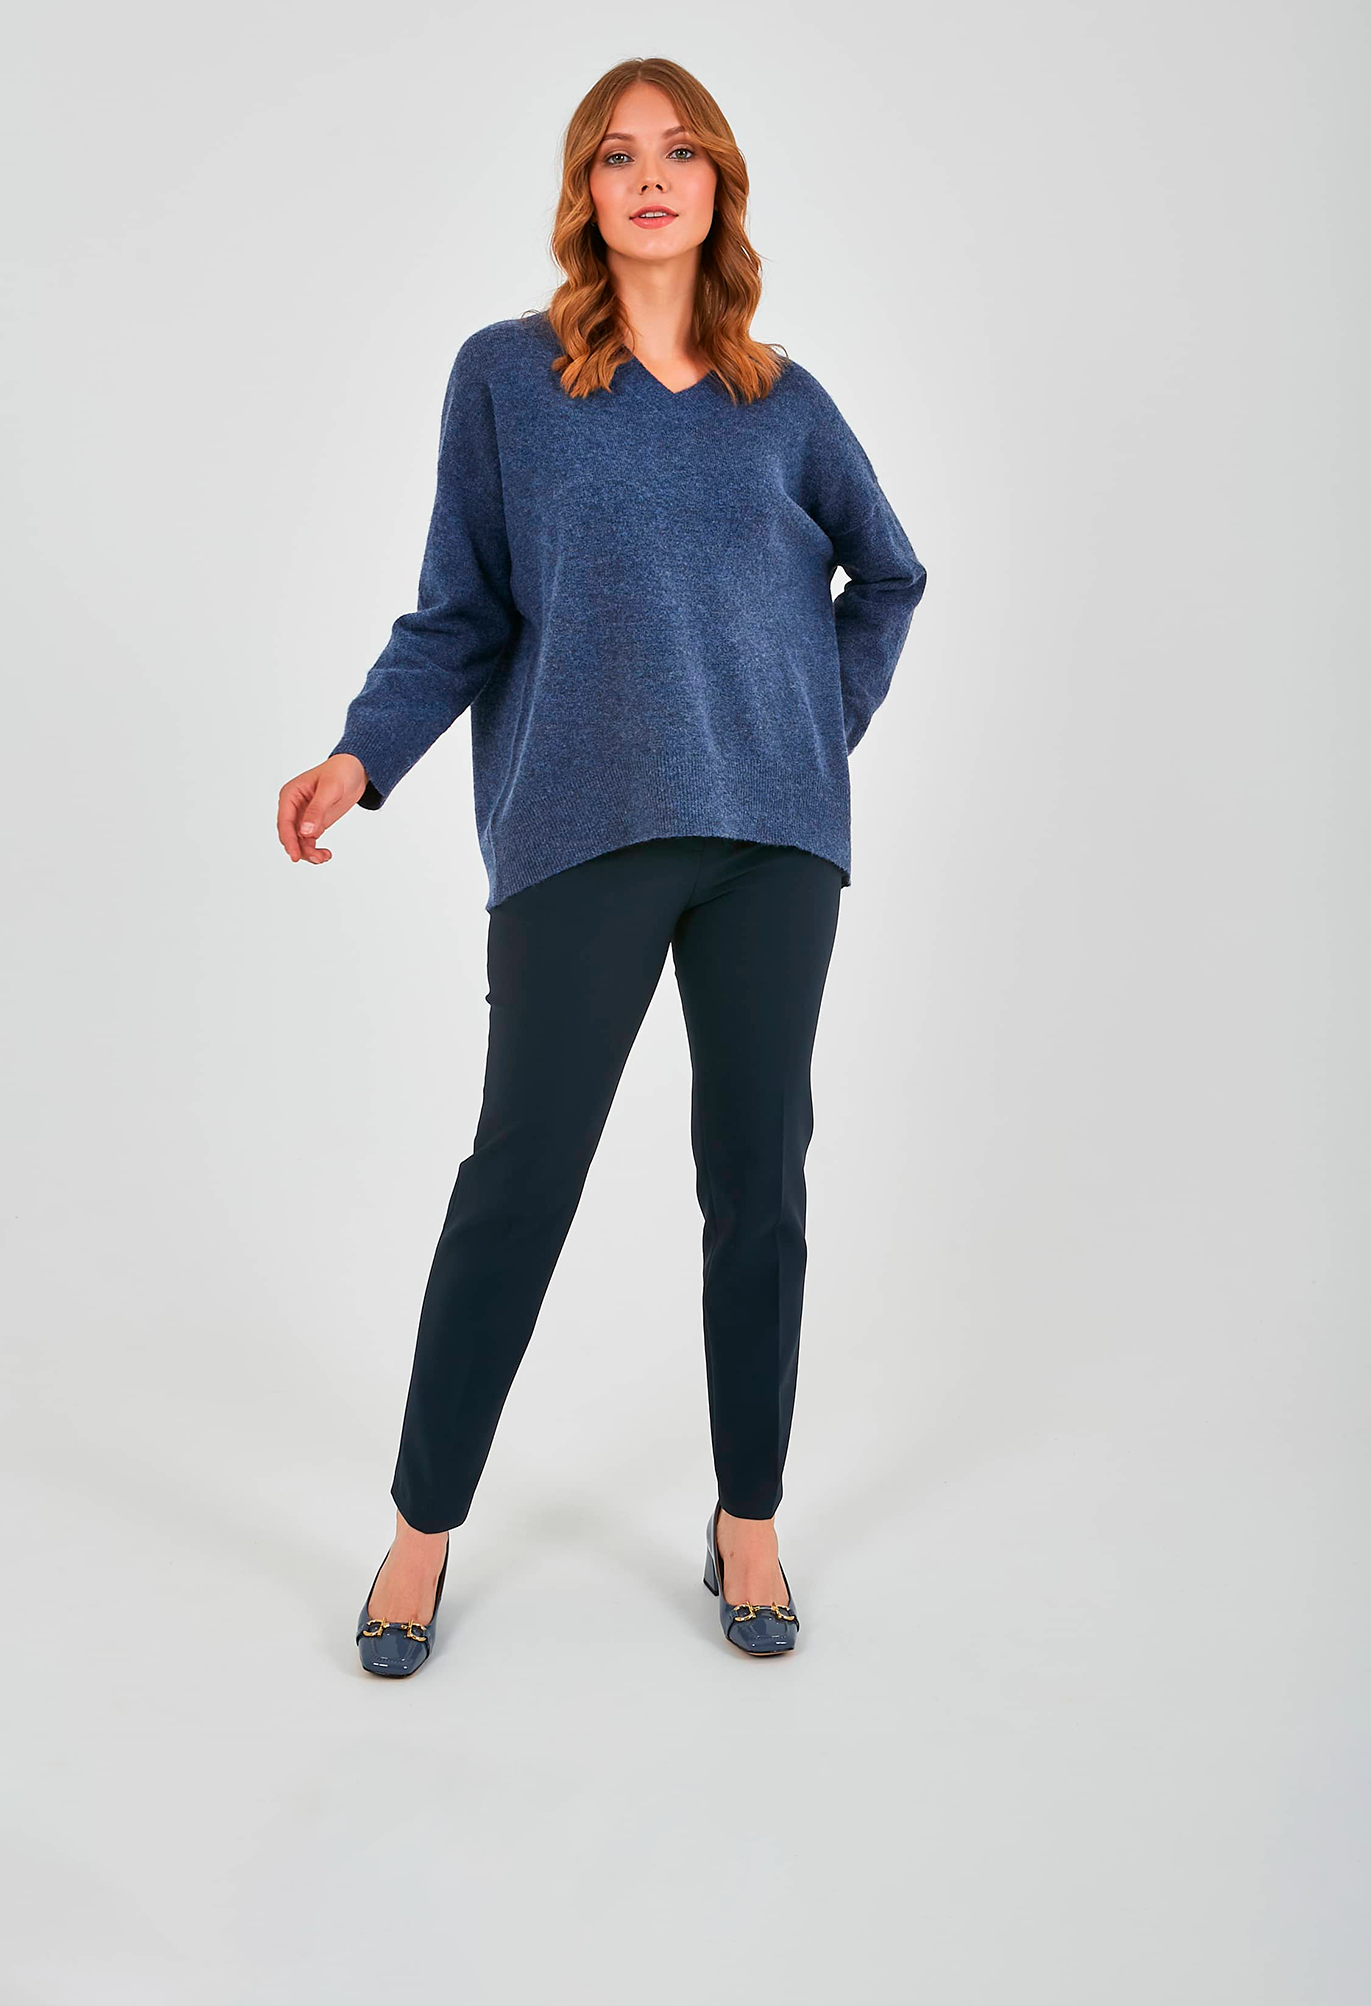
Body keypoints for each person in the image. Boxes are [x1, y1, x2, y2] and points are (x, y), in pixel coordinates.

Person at [277, 57, 928, 1675]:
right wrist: (361, 754)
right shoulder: (507, 380)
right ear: (584, 190)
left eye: (681, 151)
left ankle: (748, 1520)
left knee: (757, 1177)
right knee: (521, 1177)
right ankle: (421, 1527)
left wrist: (806, 730)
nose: (651, 177)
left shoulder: (784, 402)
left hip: (772, 846)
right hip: (580, 828)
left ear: (718, 187)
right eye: (619, 154)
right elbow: (461, 611)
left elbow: (888, 574)